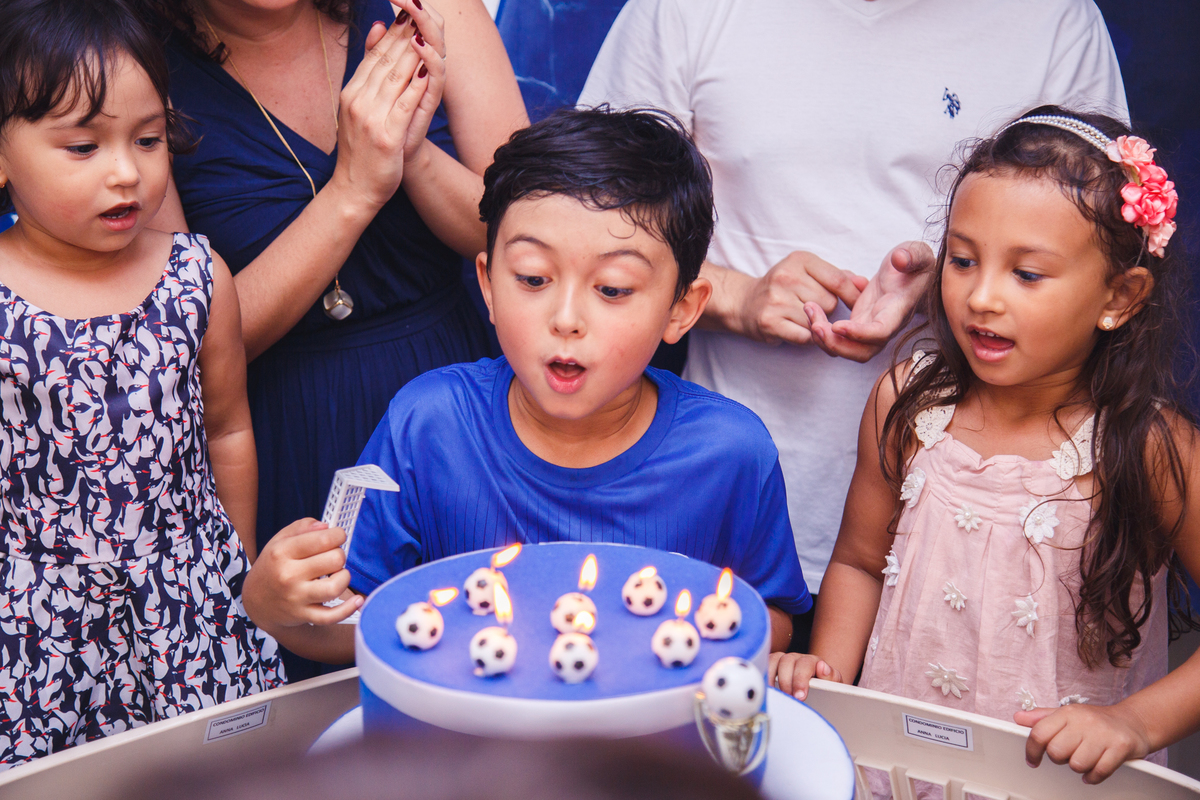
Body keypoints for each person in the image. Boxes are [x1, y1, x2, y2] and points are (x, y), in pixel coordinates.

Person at [577, 0, 1130, 642]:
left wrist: (945, 283)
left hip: (973, 534)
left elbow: (1099, 244)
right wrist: (734, 293)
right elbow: (584, 217)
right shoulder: (687, 11)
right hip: (718, 495)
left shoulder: (1053, 17)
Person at [242, 107, 812, 661]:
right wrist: (277, 609)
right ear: (488, 284)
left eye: (613, 288)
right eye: (533, 278)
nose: (566, 318)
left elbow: (775, 618)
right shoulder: (430, 424)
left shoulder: (730, 451)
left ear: (680, 309)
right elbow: (355, 627)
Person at [773, 108, 1198, 785]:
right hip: (900, 774)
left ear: (1119, 296)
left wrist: (1134, 723)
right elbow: (857, 561)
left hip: (1060, 786)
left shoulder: (1147, 447)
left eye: (1027, 274)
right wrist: (828, 678)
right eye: (964, 261)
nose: (982, 297)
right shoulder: (908, 404)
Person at [147, 0, 528, 679]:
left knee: (498, 653)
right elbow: (186, 343)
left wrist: (409, 150)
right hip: (280, 438)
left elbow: (527, 237)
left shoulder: (429, 11)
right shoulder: (138, 68)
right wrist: (351, 189)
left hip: (461, 414)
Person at [0, 0, 283, 766]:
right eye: (83, 146)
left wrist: (237, 569)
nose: (127, 171)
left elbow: (226, 428)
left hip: (190, 605)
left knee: (211, 777)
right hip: (34, 628)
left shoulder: (195, 277)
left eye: (149, 139)